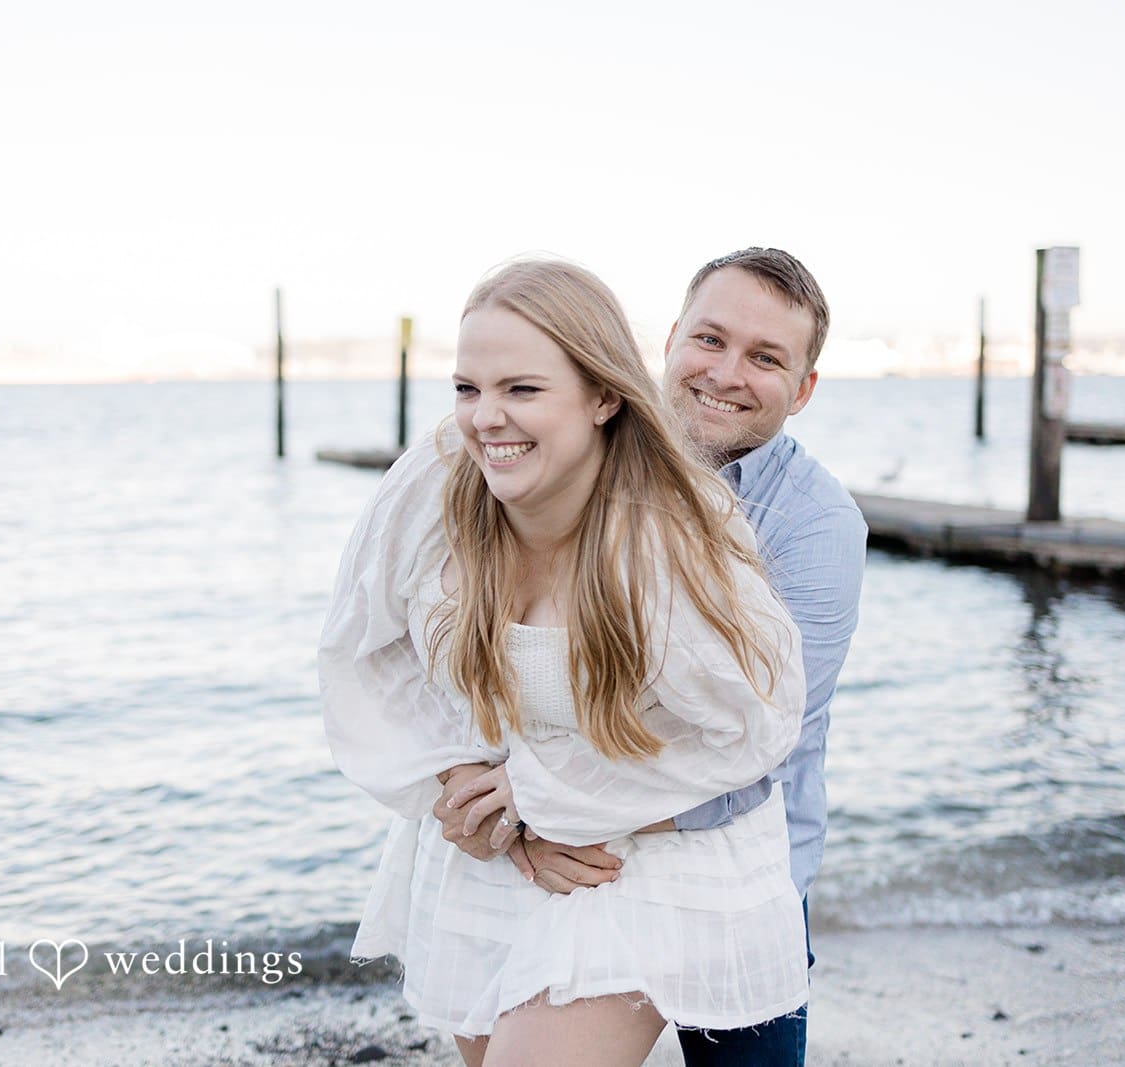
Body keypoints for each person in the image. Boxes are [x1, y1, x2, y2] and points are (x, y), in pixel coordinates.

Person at [319, 259, 812, 1066]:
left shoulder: (669, 536)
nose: (485, 418)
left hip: (641, 853)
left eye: (522, 388)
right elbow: (363, 653)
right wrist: (462, 787)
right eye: (467, 387)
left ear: (604, 395)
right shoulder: (440, 481)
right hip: (498, 846)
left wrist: (546, 799)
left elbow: (755, 725)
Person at [435, 248, 867, 1066]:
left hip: (728, 861)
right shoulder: (578, 460)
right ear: (670, 340)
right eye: (710, 339)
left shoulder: (815, 524)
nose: (727, 372)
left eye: (766, 357)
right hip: (567, 855)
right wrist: (496, 807)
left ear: (803, 388)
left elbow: (762, 748)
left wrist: (539, 810)